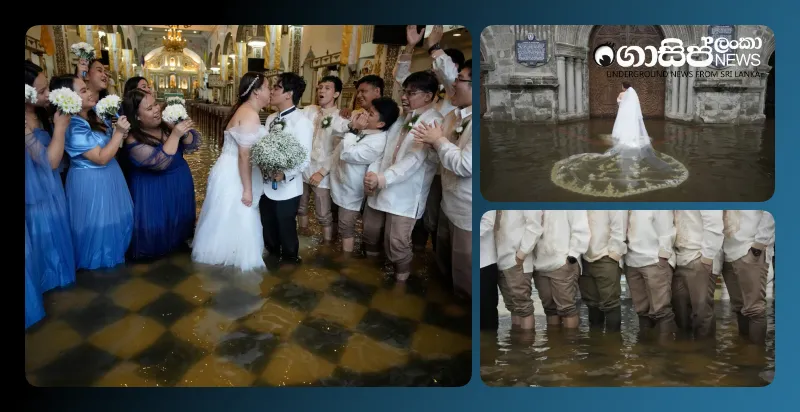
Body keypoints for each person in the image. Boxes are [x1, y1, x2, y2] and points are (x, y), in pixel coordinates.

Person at [361, 71, 443, 282]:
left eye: (411, 93)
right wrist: (373, 174)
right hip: (380, 185)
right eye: (404, 92)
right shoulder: (402, 117)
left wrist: (383, 178)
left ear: (428, 96)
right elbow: (385, 148)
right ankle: (368, 271)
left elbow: (414, 160)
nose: (404, 97)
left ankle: (401, 282)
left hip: (406, 194)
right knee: (370, 231)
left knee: (396, 242)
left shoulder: (432, 121)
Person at [550, 82, 688, 197]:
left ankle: (623, 137)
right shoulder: (634, 96)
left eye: (622, 86)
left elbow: (619, 103)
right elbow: (636, 106)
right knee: (630, 127)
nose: (621, 88)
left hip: (622, 115)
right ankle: (631, 136)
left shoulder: (622, 94)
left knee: (622, 128)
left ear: (624, 87)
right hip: (630, 117)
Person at [192, 72, 270, 272]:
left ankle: (223, 254)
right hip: (236, 173)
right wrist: (247, 189)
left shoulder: (242, 110)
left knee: (225, 214)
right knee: (239, 212)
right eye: (268, 87)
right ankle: (234, 257)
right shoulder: (250, 114)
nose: (270, 92)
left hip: (227, 167)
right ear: (256, 92)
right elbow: (244, 155)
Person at [412, 59, 473, 297]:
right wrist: (428, 142)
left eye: (459, 79)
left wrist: (437, 141)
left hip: (468, 212)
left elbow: (465, 165)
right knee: (445, 264)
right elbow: (439, 152)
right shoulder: (453, 118)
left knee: (464, 271)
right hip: (449, 203)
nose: (453, 85)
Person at [60, 75, 133, 270]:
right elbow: (100, 157)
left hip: (110, 176)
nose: (90, 92)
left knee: (113, 221)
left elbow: (112, 147)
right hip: (90, 182)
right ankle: (97, 271)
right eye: (83, 90)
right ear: (70, 98)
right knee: (96, 224)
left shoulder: (93, 115)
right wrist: (118, 133)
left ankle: (112, 261)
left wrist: (119, 135)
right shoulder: (73, 125)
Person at [122, 89, 199, 260]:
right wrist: (176, 134)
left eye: (156, 104)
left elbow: (192, 144)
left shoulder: (165, 125)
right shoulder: (133, 138)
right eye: (149, 108)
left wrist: (182, 130)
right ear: (137, 116)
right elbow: (160, 163)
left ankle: (177, 245)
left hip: (179, 181)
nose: (157, 109)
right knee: (158, 225)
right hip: (153, 189)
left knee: (179, 221)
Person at [25, 61, 75, 292]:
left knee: (55, 235)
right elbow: (50, 162)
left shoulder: (41, 113)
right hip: (34, 191)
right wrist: (62, 127)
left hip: (52, 188)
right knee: (41, 238)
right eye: (42, 91)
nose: (48, 95)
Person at [329, 97, 398, 253]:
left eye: (371, 114)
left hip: (352, 191)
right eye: (368, 111)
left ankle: (346, 261)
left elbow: (347, 154)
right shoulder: (366, 130)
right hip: (339, 182)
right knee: (338, 221)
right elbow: (336, 131)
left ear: (381, 124)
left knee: (346, 226)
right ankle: (334, 250)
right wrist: (352, 125)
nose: (365, 115)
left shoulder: (378, 142)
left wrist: (353, 130)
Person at [261, 73, 313, 264]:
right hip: (266, 185)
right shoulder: (271, 118)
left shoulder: (302, 122)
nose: (272, 91)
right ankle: (272, 264)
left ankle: (290, 266)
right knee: (268, 227)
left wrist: (284, 173)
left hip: (288, 187)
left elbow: (305, 159)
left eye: (277, 88)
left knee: (286, 230)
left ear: (289, 94)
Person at [298, 75, 351, 241]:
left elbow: (338, 150)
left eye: (327, 88)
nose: (322, 91)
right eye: (320, 87)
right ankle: (303, 235)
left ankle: (327, 245)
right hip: (303, 167)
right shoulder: (309, 111)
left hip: (322, 171)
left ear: (336, 94)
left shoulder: (341, 117)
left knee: (322, 213)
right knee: (300, 206)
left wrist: (322, 172)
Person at [721, 210, 775, 344]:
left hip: (749, 248)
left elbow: (770, 212)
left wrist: (759, 245)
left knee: (755, 310)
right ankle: (744, 353)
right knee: (739, 308)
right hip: (727, 251)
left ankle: (756, 358)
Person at [625, 210, 678, 339]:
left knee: (661, 310)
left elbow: (667, 229)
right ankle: (645, 350)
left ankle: (664, 353)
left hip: (654, 260)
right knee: (641, 310)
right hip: (632, 261)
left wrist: (663, 257)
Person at [532, 210, 590, 329]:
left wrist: (572, 256)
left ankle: (570, 345)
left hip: (563, 261)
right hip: (540, 263)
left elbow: (581, 229)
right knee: (549, 309)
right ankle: (554, 346)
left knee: (567, 308)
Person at [671, 210, 724, 338]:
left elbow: (714, 223)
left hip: (699, 255)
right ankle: (685, 354)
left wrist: (707, 257)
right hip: (679, 257)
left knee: (702, 314)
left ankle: (705, 354)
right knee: (680, 313)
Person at [495, 210, 544, 330]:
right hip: (500, 257)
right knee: (513, 306)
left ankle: (526, 346)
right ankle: (517, 344)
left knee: (523, 307)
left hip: (516, 259)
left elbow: (535, 226)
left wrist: (521, 255)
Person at [581, 210, 627, 331]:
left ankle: (613, 345)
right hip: (584, 257)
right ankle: (596, 345)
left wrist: (613, 256)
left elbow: (619, 228)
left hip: (606, 256)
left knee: (610, 304)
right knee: (592, 304)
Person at [479, 211, 499, 330]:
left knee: (487, 311)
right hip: (482, 260)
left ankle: (491, 344)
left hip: (486, 262)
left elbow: (488, 222)